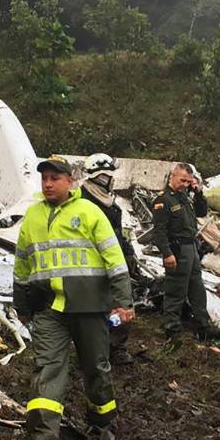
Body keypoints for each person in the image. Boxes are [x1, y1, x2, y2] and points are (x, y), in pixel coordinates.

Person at [13, 156, 134, 440]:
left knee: (96, 367)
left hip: (89, 307)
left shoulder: (90, 213)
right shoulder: (33, 216)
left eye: (55, 178)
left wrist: (123, 302)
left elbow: (114, 260)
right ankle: (42, 435)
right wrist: (22, 306)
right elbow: (22, 264)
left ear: (70, 181)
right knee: (48, 368)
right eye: (44, 178)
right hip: (49, 308)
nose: (48, 183)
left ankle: (103, 422)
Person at [80, 153, 137, 366]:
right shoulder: (82, 200)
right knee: (93, 309)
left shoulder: (109, 201)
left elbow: (118, 232)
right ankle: (94, 350)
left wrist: (128, 251)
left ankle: (116, 347)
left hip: (114, 260)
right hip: (91, 264)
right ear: (104, 177)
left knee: (121, 303)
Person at [151, 164, 217, 340]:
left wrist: (198, 192)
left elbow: (202, 212)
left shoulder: (184, 196)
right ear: (173, 176)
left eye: (188, 182)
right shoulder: (163, 200)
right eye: (182, 180)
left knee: (197, 287)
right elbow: (159, 231)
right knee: (176, 289)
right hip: (177, 248)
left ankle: (203, 326)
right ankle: (172, 327)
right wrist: (167, 253)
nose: (185, 184)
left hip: (192, 247)